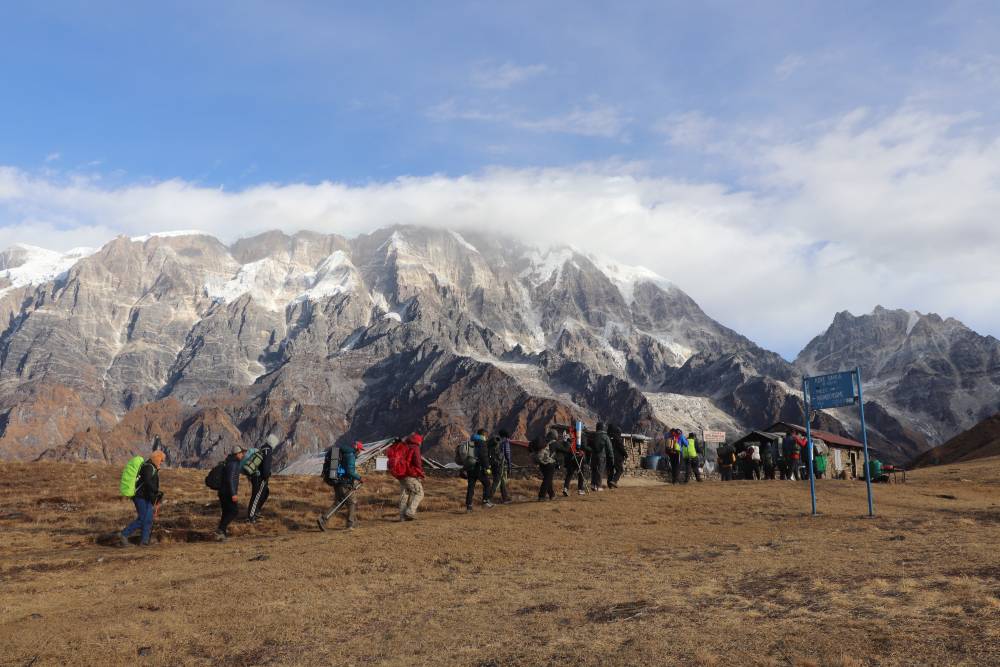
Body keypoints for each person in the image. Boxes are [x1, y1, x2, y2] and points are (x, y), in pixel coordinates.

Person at [119, 450, 165, 547]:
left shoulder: (151, 467)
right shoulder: (148, 467)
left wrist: (155, 496)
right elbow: (147, 482)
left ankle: (144, 541)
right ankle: (123, 534)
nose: (162, 462)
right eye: (161, 460)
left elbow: (148, 484)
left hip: (146, 497)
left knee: (148, 519)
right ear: (157, 458)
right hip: (140, 497)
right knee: (143, 518)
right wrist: (156, 492)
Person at [330, 440, 363, 530]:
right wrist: (359, 478)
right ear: (357, 449)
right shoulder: (351, 456)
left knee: (338, 503)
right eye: (360, 450)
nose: (360, 452)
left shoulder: (345, 454)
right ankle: (350, 524)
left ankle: (323, 519)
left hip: (337, 481)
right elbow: (350, 472)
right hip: (344, 483)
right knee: (352, 502)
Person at [215, 447, 245, 541]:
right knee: (234, 511)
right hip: (228, 492)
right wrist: (233, 494)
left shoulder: (229, 461)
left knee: (226, 512)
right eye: (241, 453)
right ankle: (220, 528)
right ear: (237, 454)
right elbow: (230, 480)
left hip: (223, 492)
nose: (242, 455)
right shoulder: (234, 464)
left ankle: (222, 534)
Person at [247, 434, 277, 523]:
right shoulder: (268, 450)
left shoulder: (263, 448)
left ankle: (256, 511)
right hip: (260, 477)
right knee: (257, 495)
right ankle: (251, 516)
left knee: (265, 493)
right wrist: (266, 475)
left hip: (255, 476)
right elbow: (266, 466)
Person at [396, 433, 425, 521]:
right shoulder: (414, 447)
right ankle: (410, 512)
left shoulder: (403, 446)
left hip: (400, 474)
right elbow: (417, 462)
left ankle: (402, 516)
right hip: (410, 474)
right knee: (419, 493)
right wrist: (420, 473)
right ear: (418, 441)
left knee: (405, 494)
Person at [464, 430, 495, 512]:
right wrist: (487, 467)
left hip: (469, 467)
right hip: (478, 468)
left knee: (471, 487)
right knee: (487, 484)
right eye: (486, 436)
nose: (487, 438)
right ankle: (485, 501)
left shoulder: (471, 442)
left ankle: (469, 506)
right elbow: (484, 456)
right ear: (484, 435)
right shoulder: (482, 443)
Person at [554, 431, 586, 496]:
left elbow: (566, 449)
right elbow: (582, 447)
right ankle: (580, 489)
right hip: (578, 458)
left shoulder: (569, 436)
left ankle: (565, 488)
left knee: (569, 474)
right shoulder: (580, 436)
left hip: (570, 459)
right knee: (580, 473)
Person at [488, 430, 513, 504]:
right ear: (507, 436)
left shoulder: (496, 442)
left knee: (502, 481)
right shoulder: (505, 443)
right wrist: (509, 466)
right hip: (501, 464)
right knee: (496, 481)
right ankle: (487, 499)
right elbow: (507, 455)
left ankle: (505, 498)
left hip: (494, 463)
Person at [532, 431, 558, 501]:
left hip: (541, 463)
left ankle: (552, 495)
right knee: (547, 480)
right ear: (554, 436)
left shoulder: (543, 441)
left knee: (548, 479)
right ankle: (542, 496)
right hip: (549, 463)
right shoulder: (553, 443)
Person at [587, 423, 613, 491]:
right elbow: (609, 448)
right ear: (603, 428)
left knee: (594, 470)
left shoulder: (593, 435)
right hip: (602, 456)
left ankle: (593, 485)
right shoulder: (605, 436)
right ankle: (598, 486)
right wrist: (611, 457)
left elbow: (588, 444)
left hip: (593, 455)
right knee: (600, 471)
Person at [607, 423, 627, 488]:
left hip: (609, 456)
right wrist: (625, 454)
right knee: (620, 470)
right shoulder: (617, 438)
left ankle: (610, 484)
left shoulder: (608, 438)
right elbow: (621, 448)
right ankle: (614, 481)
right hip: (617, 457)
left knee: (611, 470)